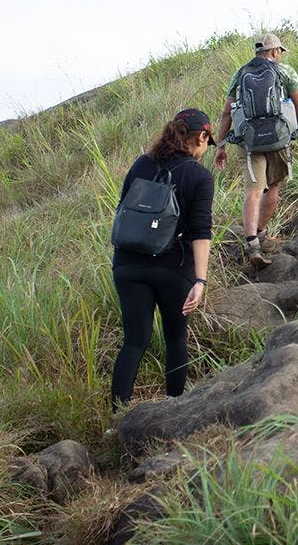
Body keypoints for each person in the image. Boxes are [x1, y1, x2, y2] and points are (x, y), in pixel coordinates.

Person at [110, 107, 215, 410]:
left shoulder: (142, 163)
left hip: (128, 263)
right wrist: (200, 279)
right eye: (208, 142)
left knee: (134, 341)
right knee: (175, 338)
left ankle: (117, 416)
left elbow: (123, 210)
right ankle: (174, 409)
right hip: (172, 268)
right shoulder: (199, 175)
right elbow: (200, 230)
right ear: (202, 136)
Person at [214, 33, 298, 267]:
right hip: (278, 137)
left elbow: (227, 113)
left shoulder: (240, 74)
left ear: (258, 52)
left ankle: (252, 244)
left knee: (253, 191)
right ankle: (260, 233)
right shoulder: (285, 72)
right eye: (280, 51)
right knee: (274, 187)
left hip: (250, 140)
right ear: (275, 51)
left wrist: (220, 145)